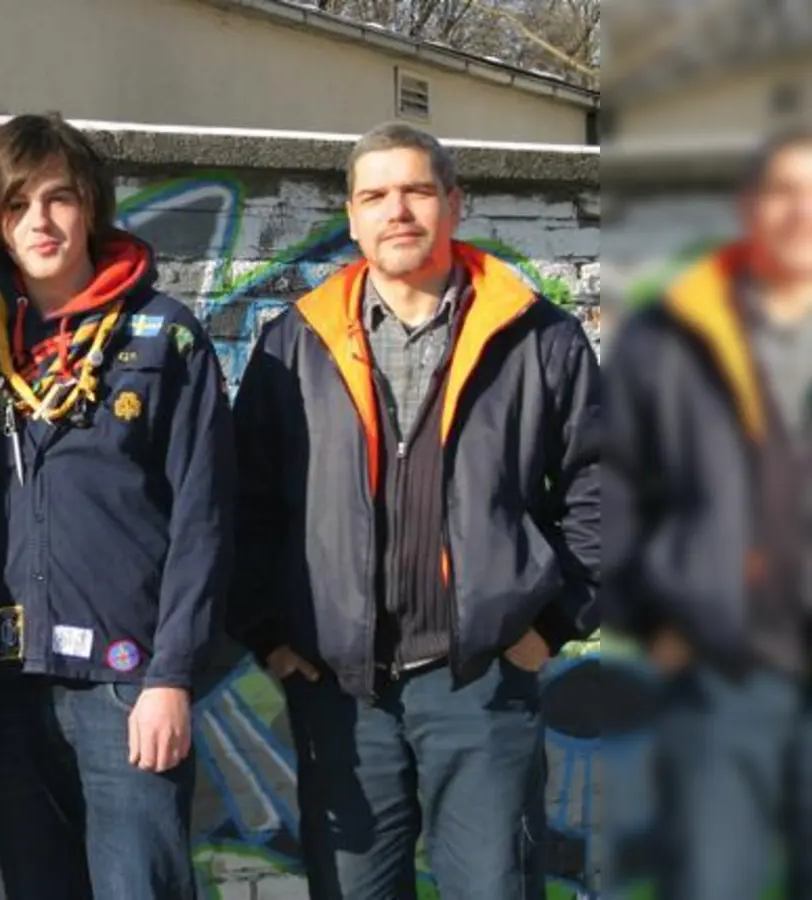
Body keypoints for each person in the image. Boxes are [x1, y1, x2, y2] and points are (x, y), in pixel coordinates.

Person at [227, 121, 601, 900]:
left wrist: (553, 623)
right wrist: (269, 634)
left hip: (481, 681)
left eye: (416, 191)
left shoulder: (537, 338)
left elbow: (603, 489)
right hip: (339, 690)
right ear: (352, 217)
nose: (396, 211)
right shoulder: (294, 344)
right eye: (374, 196)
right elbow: (244, 501)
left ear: (453, 204)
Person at [0, 112, 235, 899]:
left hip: (126, 686)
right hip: (4, 693)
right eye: (17, 204)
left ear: (91, 206)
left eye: (59, 198)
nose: (40, 221)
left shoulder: (166, 340)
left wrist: (171, 677)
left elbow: (203, 520)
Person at [603, 127, 812, 900]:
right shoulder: (674, 333)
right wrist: (652, 619)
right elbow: (614, 481)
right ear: (750, 205)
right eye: (783, 191)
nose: (801, 210)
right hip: (722, 676)